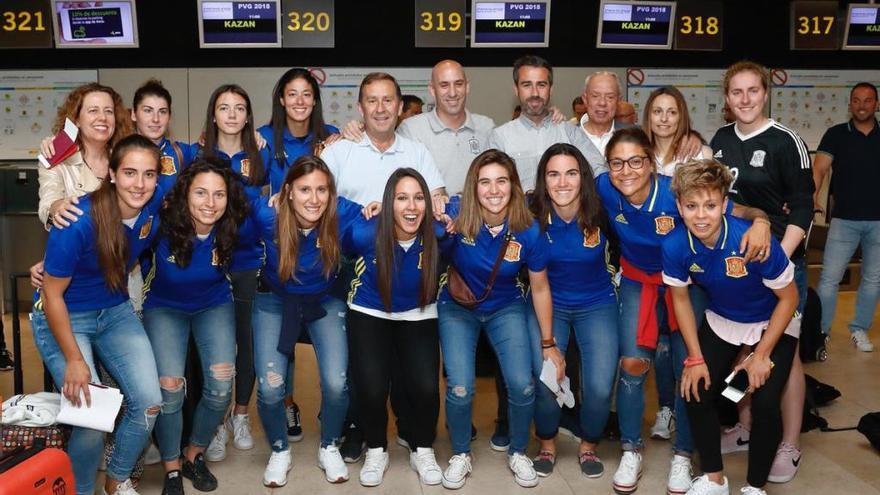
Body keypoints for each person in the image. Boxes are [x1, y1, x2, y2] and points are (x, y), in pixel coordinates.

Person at [596, 128, 769, 494]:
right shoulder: (605, 187)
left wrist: (763, 221)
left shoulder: (676, 192)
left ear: (650, 162)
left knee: (690, 368)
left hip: (685, 285)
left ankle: (683, 454)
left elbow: (739, 208)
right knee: (632, 363)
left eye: (636, 161)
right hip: (637, 280)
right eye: (617, 163)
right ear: (608, 167)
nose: (626, 170)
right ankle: (631, 447)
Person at [320, 72, 447, 462]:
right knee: (362, 364)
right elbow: (316, 198)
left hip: (409, 265)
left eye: (387, 100)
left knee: (409, 366)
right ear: (360, 107)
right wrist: (362, 215)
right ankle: (359, 431)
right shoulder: (340, 150)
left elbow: (438, 200)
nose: (380, 108)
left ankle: (410, 430)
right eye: (371, 101)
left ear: (399, 107)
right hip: (349, 266)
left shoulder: (416, 152)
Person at [31, 134, 164, 495]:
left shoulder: (154, 206)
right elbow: (52, 293)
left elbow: (130, 250)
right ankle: (81, 489)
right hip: (63, 315)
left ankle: (117, 477)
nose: (139, 184)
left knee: (150, 403)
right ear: (112, 175)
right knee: (91, 420)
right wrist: (75, 359)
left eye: (149, 174)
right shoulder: (77, 219)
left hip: (115, 310)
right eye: (130, 173)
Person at [663, 159, 800, 495]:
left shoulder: (752, 241)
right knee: (695, 389)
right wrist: (694, 358)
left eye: (710, 205)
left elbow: (790, 299)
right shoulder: (674, 245)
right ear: (679, 206)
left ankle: (755, 487)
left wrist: (760, 355)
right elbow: (680, 299)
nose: (700, 215)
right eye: (691, 206)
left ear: (725, 204)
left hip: (774, 323)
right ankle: (713, 479)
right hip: (724, 320)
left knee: (765, 401)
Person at [710, 61, 814, 484]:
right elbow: (720, 201)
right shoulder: (720, 140)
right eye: (737, 92)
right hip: (735, 269)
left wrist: (779, 259)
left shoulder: (787, 141)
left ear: (765, 93)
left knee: (782, 360)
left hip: (781, 268)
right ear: (728, 97)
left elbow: (804, 207)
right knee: (742, 353)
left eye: (753, 91)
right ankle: (744, 426)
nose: (745, 99)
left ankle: (789, 442)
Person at [437, 149, 563, 489]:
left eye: (502, 181)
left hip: (505, 306)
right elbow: (415, 217)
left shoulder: (529, 231)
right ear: (473, 187)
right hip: (457, 308)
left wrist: (548, 343)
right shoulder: (455, 215)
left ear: (514, 186)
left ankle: (518, 451)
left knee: (522, 384)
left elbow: (539, 288)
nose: (493, 190)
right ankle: (461, 453)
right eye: (485, 182)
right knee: (460, 387)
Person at [249, 156, 363, 487]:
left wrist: (373, 206)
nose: (313, 199)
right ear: (287, 192)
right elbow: (228, 207)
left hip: (325, 300)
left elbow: (380, 212)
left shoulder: (340, 213)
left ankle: (328, 446)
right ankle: (280, 450)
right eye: (304, 190)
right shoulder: (266, 215)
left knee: (336, 382)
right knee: (271, 388)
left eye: (321, 190)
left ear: (331, 194)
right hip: (273, 300)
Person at [141, 159, 249, 495]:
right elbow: (120, 246)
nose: (210, 203)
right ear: (185, 193)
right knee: (170, 389)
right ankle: (172, 465)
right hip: (164, 308)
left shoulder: (233, 225)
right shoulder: (161, 222)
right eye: (201, 192)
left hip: (213, 305)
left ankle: (194, 452)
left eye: (219, 195)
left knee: (219, 387)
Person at [343, 168, 449, 487]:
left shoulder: (440, 233)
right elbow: (337, 227)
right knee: (373, 387)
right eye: (401, 198)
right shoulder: (365, 233)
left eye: (419, 198)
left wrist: (448, 205)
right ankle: (376, 449)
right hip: (369, 311)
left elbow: (466, 205)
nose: (411, 207)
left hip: (418, 314)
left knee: (427, 387)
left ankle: (422, 448)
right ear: (388, 203)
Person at [255, 67, 341, 445]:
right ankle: (287, 401)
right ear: (280, 99)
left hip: (321, 252)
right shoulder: (261, 139)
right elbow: (244, 187)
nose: (300, 101)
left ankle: (334, 412)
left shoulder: (332, 138)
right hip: (277, 249)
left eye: (307, 94)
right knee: (277, 347)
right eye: (293, 94)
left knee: (335, 366)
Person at [526, 144, 618, 479]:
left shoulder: (600, 209)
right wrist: (549, 344)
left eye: (571, 173)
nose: (562, 182)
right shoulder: (530, 212)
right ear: (543, 179)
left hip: (597, 302)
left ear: (583, 177)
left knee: (598, 385)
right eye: (553, 174)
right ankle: (547, 442)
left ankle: (588, 445)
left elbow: (632, 240)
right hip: (547, 303)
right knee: (546, 378)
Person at [643, 85, 715, 492]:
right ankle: (667, 408)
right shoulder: (638, 152)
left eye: (672, 112)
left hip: (688, 271)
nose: (665, 119)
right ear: (648, 116)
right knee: (661, 348)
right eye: (658, 111)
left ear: (682, 116)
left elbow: (712, 204)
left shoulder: (698, 153)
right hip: (645, 269)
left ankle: (683, 448)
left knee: (687, 348)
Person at [195, 84, 270, 461]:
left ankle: (241, 415)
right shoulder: (198, 153)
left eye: (239, 108)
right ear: (213, 114)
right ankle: (218, 421)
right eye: (224, 107)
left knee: (248, 343)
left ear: (247, 115)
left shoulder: (260, 153)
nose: (231, 114)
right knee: (218, 346)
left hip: (248, 262)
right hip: (209, 263)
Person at [813, 82, 880, 352]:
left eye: (867, 100)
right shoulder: (836, 134)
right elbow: (819, 169)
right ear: (850, 104)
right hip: (844, 221)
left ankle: (859, 329)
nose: (861, 105)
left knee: (873, 279)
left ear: (876, 104)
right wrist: (812, 197)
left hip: (879, 222)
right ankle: (821, 332)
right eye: (856, 100)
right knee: (829, 279)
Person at [38, 82, 133, 229]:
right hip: (75, 249)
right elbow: (48, 201)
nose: (103, 117)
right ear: (77, 120)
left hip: (119, 248)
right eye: (93, 110)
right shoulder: (56, 156)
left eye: (108, 111)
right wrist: (57, 207)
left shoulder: (126, 159)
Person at [397, 60, 496, 195]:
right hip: (430, 215)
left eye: (458, 84)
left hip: (476, 215)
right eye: (444, 85)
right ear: (432, 90)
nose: (452, 93)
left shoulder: (486, 127)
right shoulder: (411, 130)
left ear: (467, 87)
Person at [488, 55, 583, 192]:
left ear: (551, 89)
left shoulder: (570, 132)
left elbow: (597, 173)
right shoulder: (499, 138)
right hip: (519, 213)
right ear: (516, 89)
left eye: (541, 85)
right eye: (527, 85)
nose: (535, 93)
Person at [130, 79, 191, 192]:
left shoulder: (182, 152)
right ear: (134, 114)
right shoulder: (120, 153)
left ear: (169, 117)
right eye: (148, 111)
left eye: (162, 112)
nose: (156, 119)